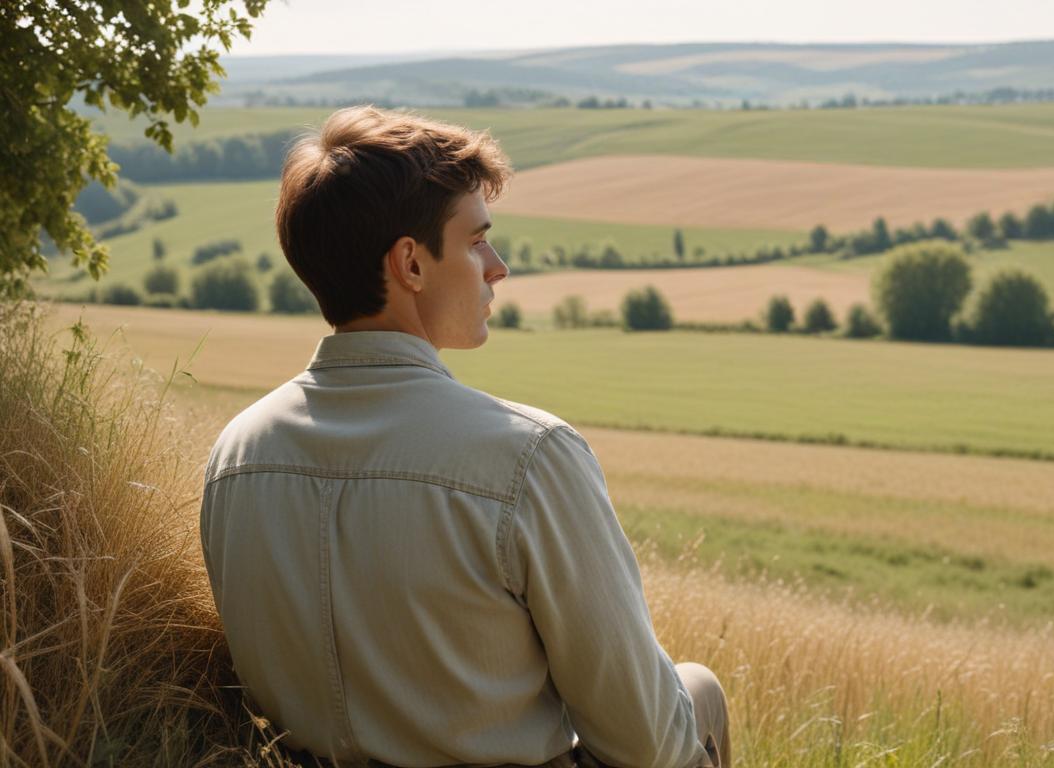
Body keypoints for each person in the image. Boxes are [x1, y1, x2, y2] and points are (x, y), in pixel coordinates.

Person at [199, 106, 730, 768]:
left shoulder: (234, 455)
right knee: (696, 693)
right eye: (477, 240)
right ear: (411, 265)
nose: (497, 266)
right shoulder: (530, 456)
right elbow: (647, 745)